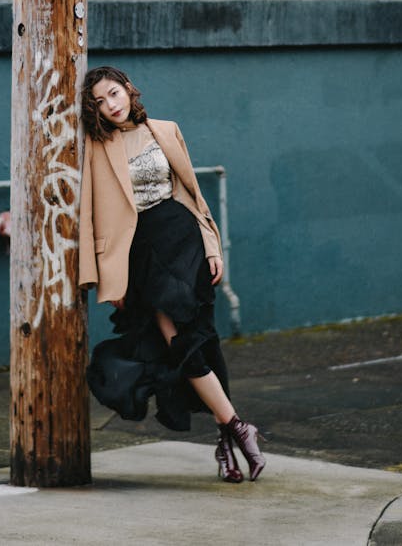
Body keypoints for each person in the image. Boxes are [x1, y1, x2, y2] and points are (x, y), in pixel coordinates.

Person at [78, 65, 265, 483]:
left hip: (183, 243)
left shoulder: (166, 130)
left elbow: (189, 193)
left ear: (128, 89)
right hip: (141, 255)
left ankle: (228, 443)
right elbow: (89, 217)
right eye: (100, 102)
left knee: (201, 342)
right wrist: (108, 280)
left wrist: (212, 246)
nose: (111, 105)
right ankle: (237, 429)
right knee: (180, 344)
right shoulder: (94, 146)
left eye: (114, 93)